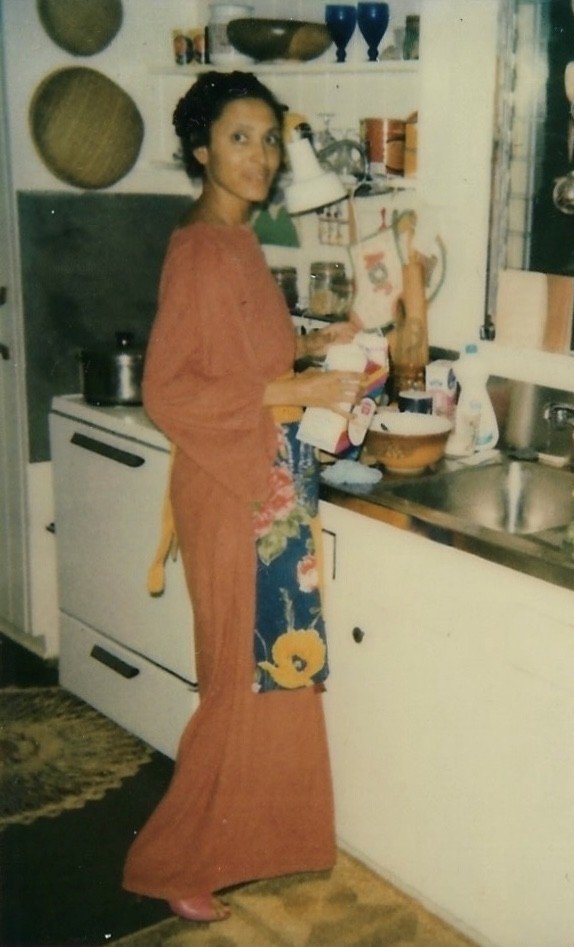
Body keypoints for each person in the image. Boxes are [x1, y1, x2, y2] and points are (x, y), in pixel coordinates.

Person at [123, 71, 361, 923]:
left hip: (262, 480)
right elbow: (170, 392)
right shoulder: (199, 245)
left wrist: (308, 343)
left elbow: (237, 351)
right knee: (238, 680)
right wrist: (291, 393)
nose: (259, 155)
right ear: (200, 150)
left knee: (276, 671)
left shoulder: (237, 239)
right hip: (231, 489)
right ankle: (172, 861)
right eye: (238, 138)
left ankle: (253, 843)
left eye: (268, 138)